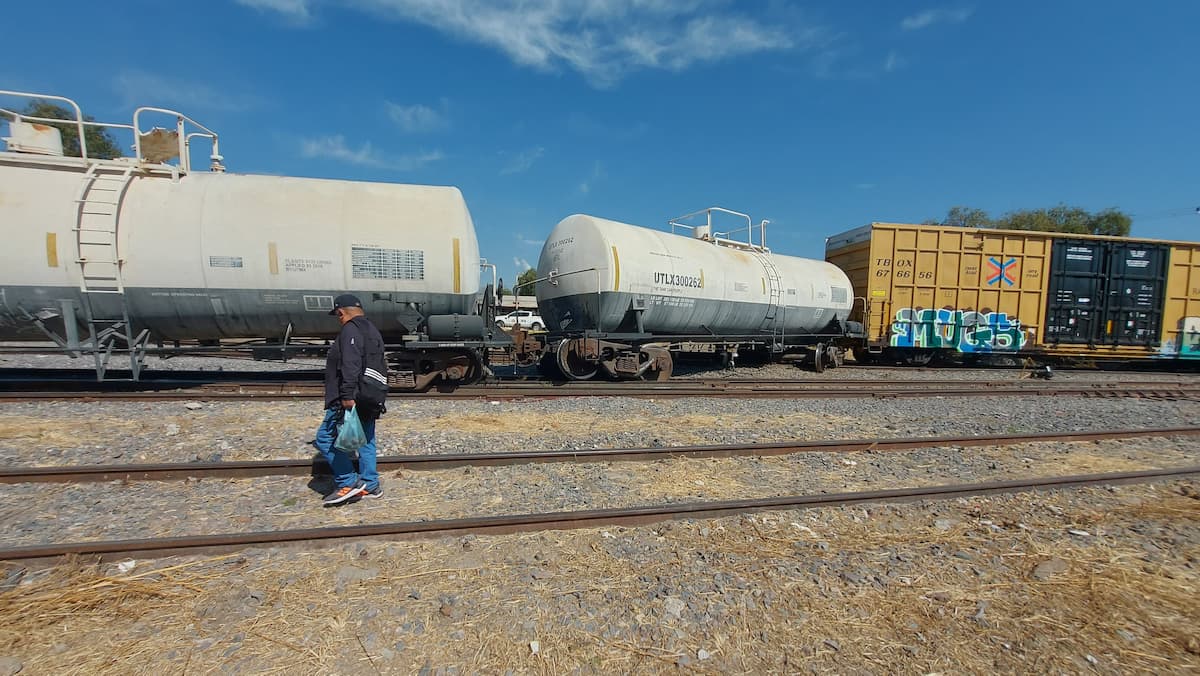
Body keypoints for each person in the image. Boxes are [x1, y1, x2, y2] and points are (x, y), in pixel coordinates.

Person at [317, 294, 387, 505]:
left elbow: (351, 363)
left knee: (324, 438)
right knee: (366, 440)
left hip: (352, 397)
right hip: (370, 394)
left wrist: (347, 395)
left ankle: (348, 482)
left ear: (341, 312)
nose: (338, 319)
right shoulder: (372, 329)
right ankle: (370, 485)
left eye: (337, 315)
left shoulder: (350, 329)